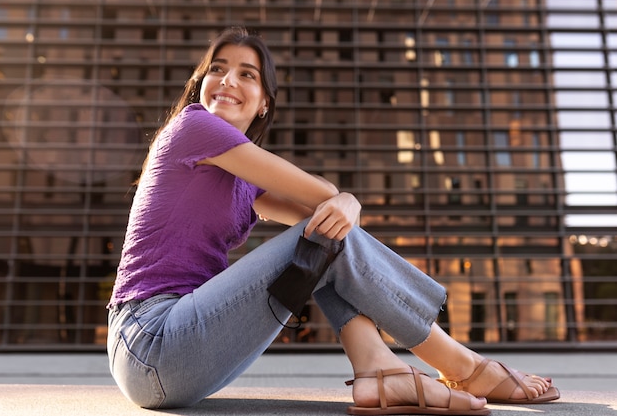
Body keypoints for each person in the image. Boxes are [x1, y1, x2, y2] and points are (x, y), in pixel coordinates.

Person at [106, 26, 559, 415]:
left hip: (176, 359)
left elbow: (331, 225)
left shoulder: (246, 182)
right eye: (217, 69)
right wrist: (347, 200)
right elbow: (322, 198)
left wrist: (342, 207)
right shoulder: (193, 127)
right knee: (328, 234)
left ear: (264, 102)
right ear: (200, 82)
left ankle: (378, 368)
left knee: (328, 238)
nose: (227, 80)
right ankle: (463, 366)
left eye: (247, 74)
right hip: (152, 339)